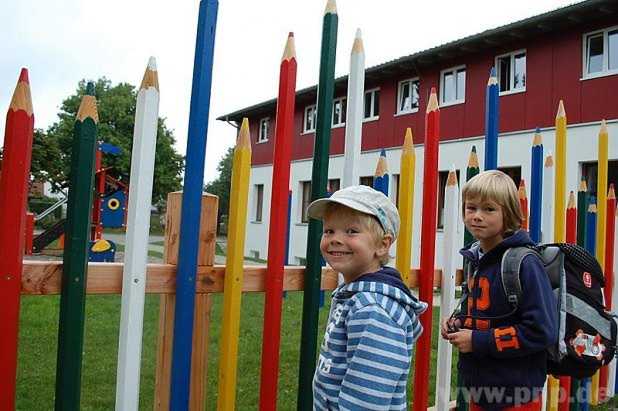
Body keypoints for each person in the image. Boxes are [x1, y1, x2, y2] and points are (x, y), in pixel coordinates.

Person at [441, 170, 557, 410]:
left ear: (509, 214)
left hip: (517, 396)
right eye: (471, 208)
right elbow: (489, 314)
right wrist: (459, 323)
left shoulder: (525, 263)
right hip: (479, 390)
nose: (477, 216)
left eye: (489, 209)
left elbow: (541, 331)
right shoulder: (477, 259)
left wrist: (477, 341)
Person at [308, 185, 427, 410]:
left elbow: (367, 399)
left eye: (351, 231)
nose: (335, 239)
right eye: (329, 231)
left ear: (382, 245)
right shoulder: (355, 295)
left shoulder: (373, 310)